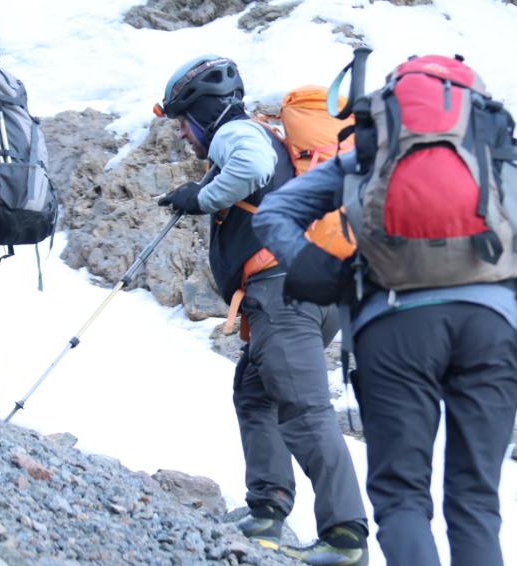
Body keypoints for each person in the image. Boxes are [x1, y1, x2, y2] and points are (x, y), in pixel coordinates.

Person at [253, 143, 517, 565]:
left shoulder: (373, 150)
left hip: (395, 325)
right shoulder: (496, 155)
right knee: (475, 499)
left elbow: (274, 212)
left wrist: (334, 279)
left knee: (402, 497)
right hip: (490, 328)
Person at [154, 56, 370, 566]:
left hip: (283, 293)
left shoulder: (237, 133)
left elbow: (250, 169)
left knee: (303, 407)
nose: (184, 136)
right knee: (255, 392)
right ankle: (267, 511)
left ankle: (345, 539)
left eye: (183, 123)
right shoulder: (267, 134)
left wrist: (201, 196)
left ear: (202, 112)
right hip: (308, 293)